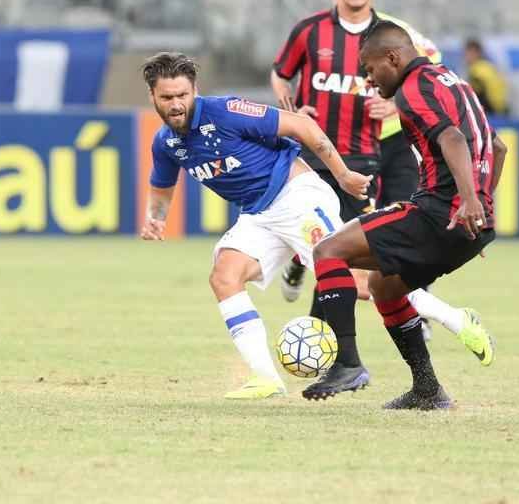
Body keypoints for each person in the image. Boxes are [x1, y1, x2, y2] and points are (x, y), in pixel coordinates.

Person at [138, 51, 372, 399]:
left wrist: (343, 175)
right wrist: (155, 219)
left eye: (182, 95)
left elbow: (303, 126)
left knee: (363, 285)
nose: (175, 104)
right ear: (152, 97)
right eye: (167, 97)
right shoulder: (166, 142)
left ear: (195, 90)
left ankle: (453, 320)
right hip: (258, 214)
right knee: (224, 276)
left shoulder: (225, 111)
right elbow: (161, 188)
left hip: (297, 197)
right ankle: (266, 378)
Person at [302, 21, 504, 410]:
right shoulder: (453, 81)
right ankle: (427, 390)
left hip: (437, 212)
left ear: (392, 58)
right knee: (384, 286)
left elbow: (453, 138)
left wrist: (468, 200)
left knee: (327, 251)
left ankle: (348, 363)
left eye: (369, 68)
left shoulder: (413, 89)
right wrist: (480, 205)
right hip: (466, 222)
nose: (367, 78)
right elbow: (498, 146)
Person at [270, 0, 440, 305]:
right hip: (312, 154)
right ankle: (307, 275)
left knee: (358, 247)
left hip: (364, 155)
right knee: (322, 236)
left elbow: (428, 75)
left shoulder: (393, 34)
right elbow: (280, 75)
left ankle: (409, 311)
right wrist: (292, 110)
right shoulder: (310, 31)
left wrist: (394, 106)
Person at [463, 38, 509, 117]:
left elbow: (474, 93)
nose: (465, 57)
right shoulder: (489, 66)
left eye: (467, 54)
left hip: (490, 111)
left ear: (476, 53)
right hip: (502, 109)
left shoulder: (476, 70)